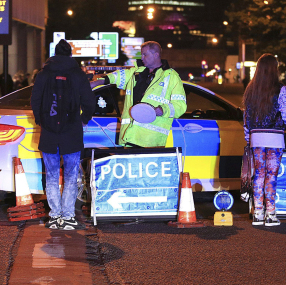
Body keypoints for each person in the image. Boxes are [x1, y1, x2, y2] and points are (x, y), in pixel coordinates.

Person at [31, 40, 95, 230]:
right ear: (70, 55)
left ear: (54, 53)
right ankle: (68, 216)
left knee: (51, 176)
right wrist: (84, 119)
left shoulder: (43, 74)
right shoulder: (78, 75)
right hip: (71, 132)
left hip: (49, 133)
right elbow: (90, 101)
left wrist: (40, 119)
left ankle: (54, 216)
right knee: (70, 175)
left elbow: (35, 100)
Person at [242, 53, 286, 227]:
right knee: (271, 175)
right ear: (274, 69)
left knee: (259, 174)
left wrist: (249, 138)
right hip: (275, 137)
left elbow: (246, 118)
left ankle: (257, 213)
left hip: (256, 137)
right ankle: (270, 214)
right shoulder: (280, 89)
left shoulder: (250, 89)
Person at [90, 41, 186, 148]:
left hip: (151, 141)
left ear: (156, 55)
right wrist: (96, 82)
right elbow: (116, 77)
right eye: (142, 55)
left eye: (145, 54)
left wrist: (163, 110)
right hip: (130, 137)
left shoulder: (171, 76)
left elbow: (180, 105)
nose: (142, 58)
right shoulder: (136, 72)